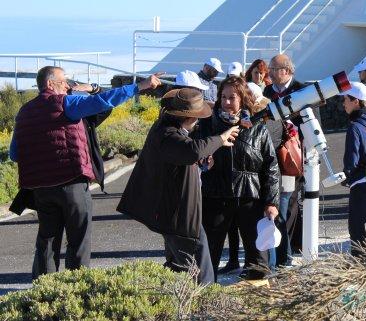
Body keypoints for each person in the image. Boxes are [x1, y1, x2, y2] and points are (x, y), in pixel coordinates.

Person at [10, 66, 162, 279]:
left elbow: (15, 154)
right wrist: (139, 87)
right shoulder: (66, 104)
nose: (67, 85)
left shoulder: (24, 112)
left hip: (41, 190)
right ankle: (76, 288)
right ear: (51, 84)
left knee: (47, 240)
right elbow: (104, 101)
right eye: (64, 81)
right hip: (71, 184)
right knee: (78, 240)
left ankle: (44, 292)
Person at [117, 88, 239, 285]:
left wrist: (201, 165)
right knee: (200, 268)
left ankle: (183, 305)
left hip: (176, 213)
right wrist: (221, 139)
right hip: (178, 214)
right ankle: (204, 307)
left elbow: (188, 156)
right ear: (189, 117)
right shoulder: (167, 134)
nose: (199, 121)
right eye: (197, 116)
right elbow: (192, 150)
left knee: (181, 266)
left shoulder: (169, 129)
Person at [199, 76, 279, 281]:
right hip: (215, 196)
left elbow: (271, 167)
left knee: (258, 257)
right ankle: (202, 298)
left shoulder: (258, 128)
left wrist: (271, 201)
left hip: (249, 198)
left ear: (242, 99)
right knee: (208, 255)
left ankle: (256, 303)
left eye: (232, 97)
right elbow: (195, 154)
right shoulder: (207, 126)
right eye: (223, 97)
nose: (226, 102)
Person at [263, 54, 305, 267]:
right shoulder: (267, 92)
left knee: (287, 205)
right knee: (275, 205)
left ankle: (285, 254)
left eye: (273, 68)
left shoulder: (302, 90)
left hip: (290, 160)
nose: (269, 72)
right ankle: (280, 253)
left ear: (287, 70)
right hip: (270, 157)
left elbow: (310, 124)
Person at [340, 81, 366, 257]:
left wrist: (347, 177)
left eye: (346, 100)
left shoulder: (355, 126)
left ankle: (360, 261)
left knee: (357, 226)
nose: (343, 104)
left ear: (356, 101)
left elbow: (352, 159)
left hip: (360, 181)